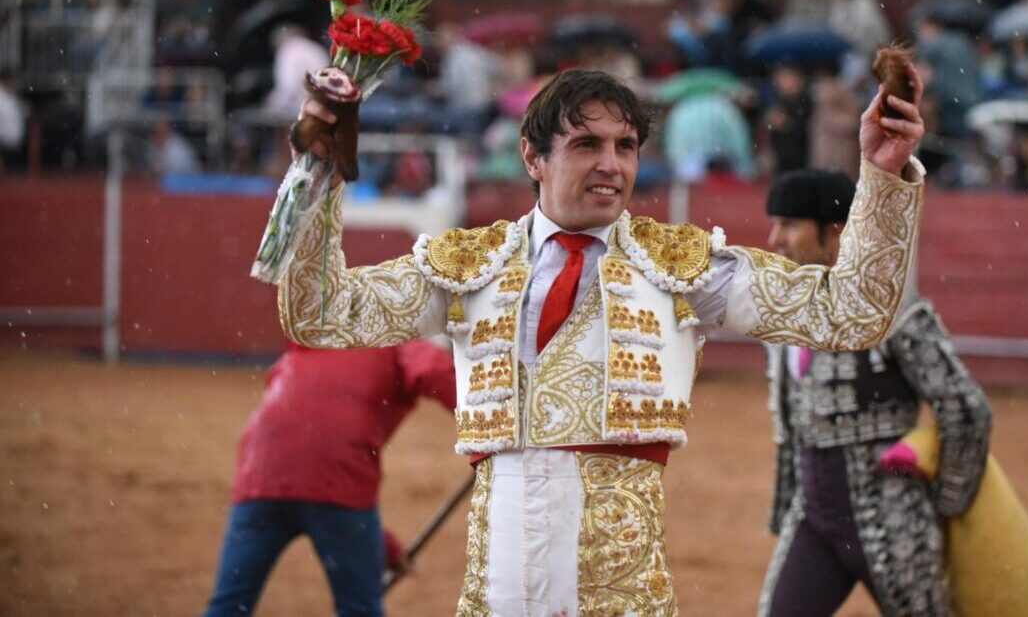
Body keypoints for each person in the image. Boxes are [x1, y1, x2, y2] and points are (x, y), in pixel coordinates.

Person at [277, 65, 928, 615]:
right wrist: (318, 167)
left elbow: (852, 313)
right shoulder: (470, 267)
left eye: (626, 146)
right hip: (498, 594)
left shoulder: (681, 268)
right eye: (587, 144)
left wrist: (884, 176)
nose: (612, 165)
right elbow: (321, 313)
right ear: (533, 157)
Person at [756, 169, 992, 617]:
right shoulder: (786, 311)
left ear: (834, 230)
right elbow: (790, 425)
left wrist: (946, 503)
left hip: (890, 515)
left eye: (789, 224)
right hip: (813, 520)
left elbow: (965, 407)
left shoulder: (889, 306)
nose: (774, 239)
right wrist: (788, 507)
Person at [203, 340, 456, 617]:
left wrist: (382, 548)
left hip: (260, 478)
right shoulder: (394, 341)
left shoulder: (316, 342)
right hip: (339, 487)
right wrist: (488, 419)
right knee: (359, 610)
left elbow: (305, 462)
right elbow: (433, 369)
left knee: (229, 606)